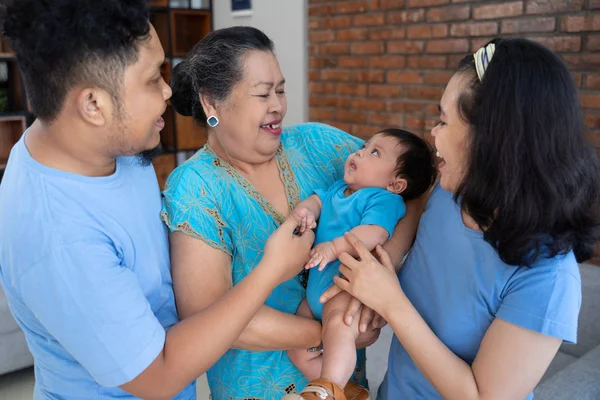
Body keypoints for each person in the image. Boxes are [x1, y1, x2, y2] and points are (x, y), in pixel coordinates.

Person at [0, 1, 315, 399]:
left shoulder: (111, 144)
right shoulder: (59, 240)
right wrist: (272, 270)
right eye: (153, 79)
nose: (168, 92)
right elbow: (158, 376)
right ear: (94, 105)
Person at [318, 38, 600, 400]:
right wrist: (379, 269)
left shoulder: (549, 278)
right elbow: (414, 215)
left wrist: (391, 301)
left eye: (443, 121)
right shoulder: (449, 193)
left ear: (491, 140)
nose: (433, 134)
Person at [161, 26, 421, 400]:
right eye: (263, 94)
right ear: (212, 104)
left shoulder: (319, 144)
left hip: (349, 387)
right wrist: (335, 329)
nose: (278, 106)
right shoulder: (194, 189)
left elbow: (410, 192)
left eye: (280, 90)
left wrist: (377, 272)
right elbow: (208, 318)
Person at [285, 129, 436, 399]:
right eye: (365, 146)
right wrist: (305, 211)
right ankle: (346, 390)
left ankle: (327, 387)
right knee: (296, 347)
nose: (359, 152)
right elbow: (318, 200)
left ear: (395, 184)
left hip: (343, 286)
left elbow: (375, 233)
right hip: (317, 288)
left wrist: (334, 247)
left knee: (338, 328)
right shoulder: (338, 189)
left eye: (374, 153)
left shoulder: (383, 200)